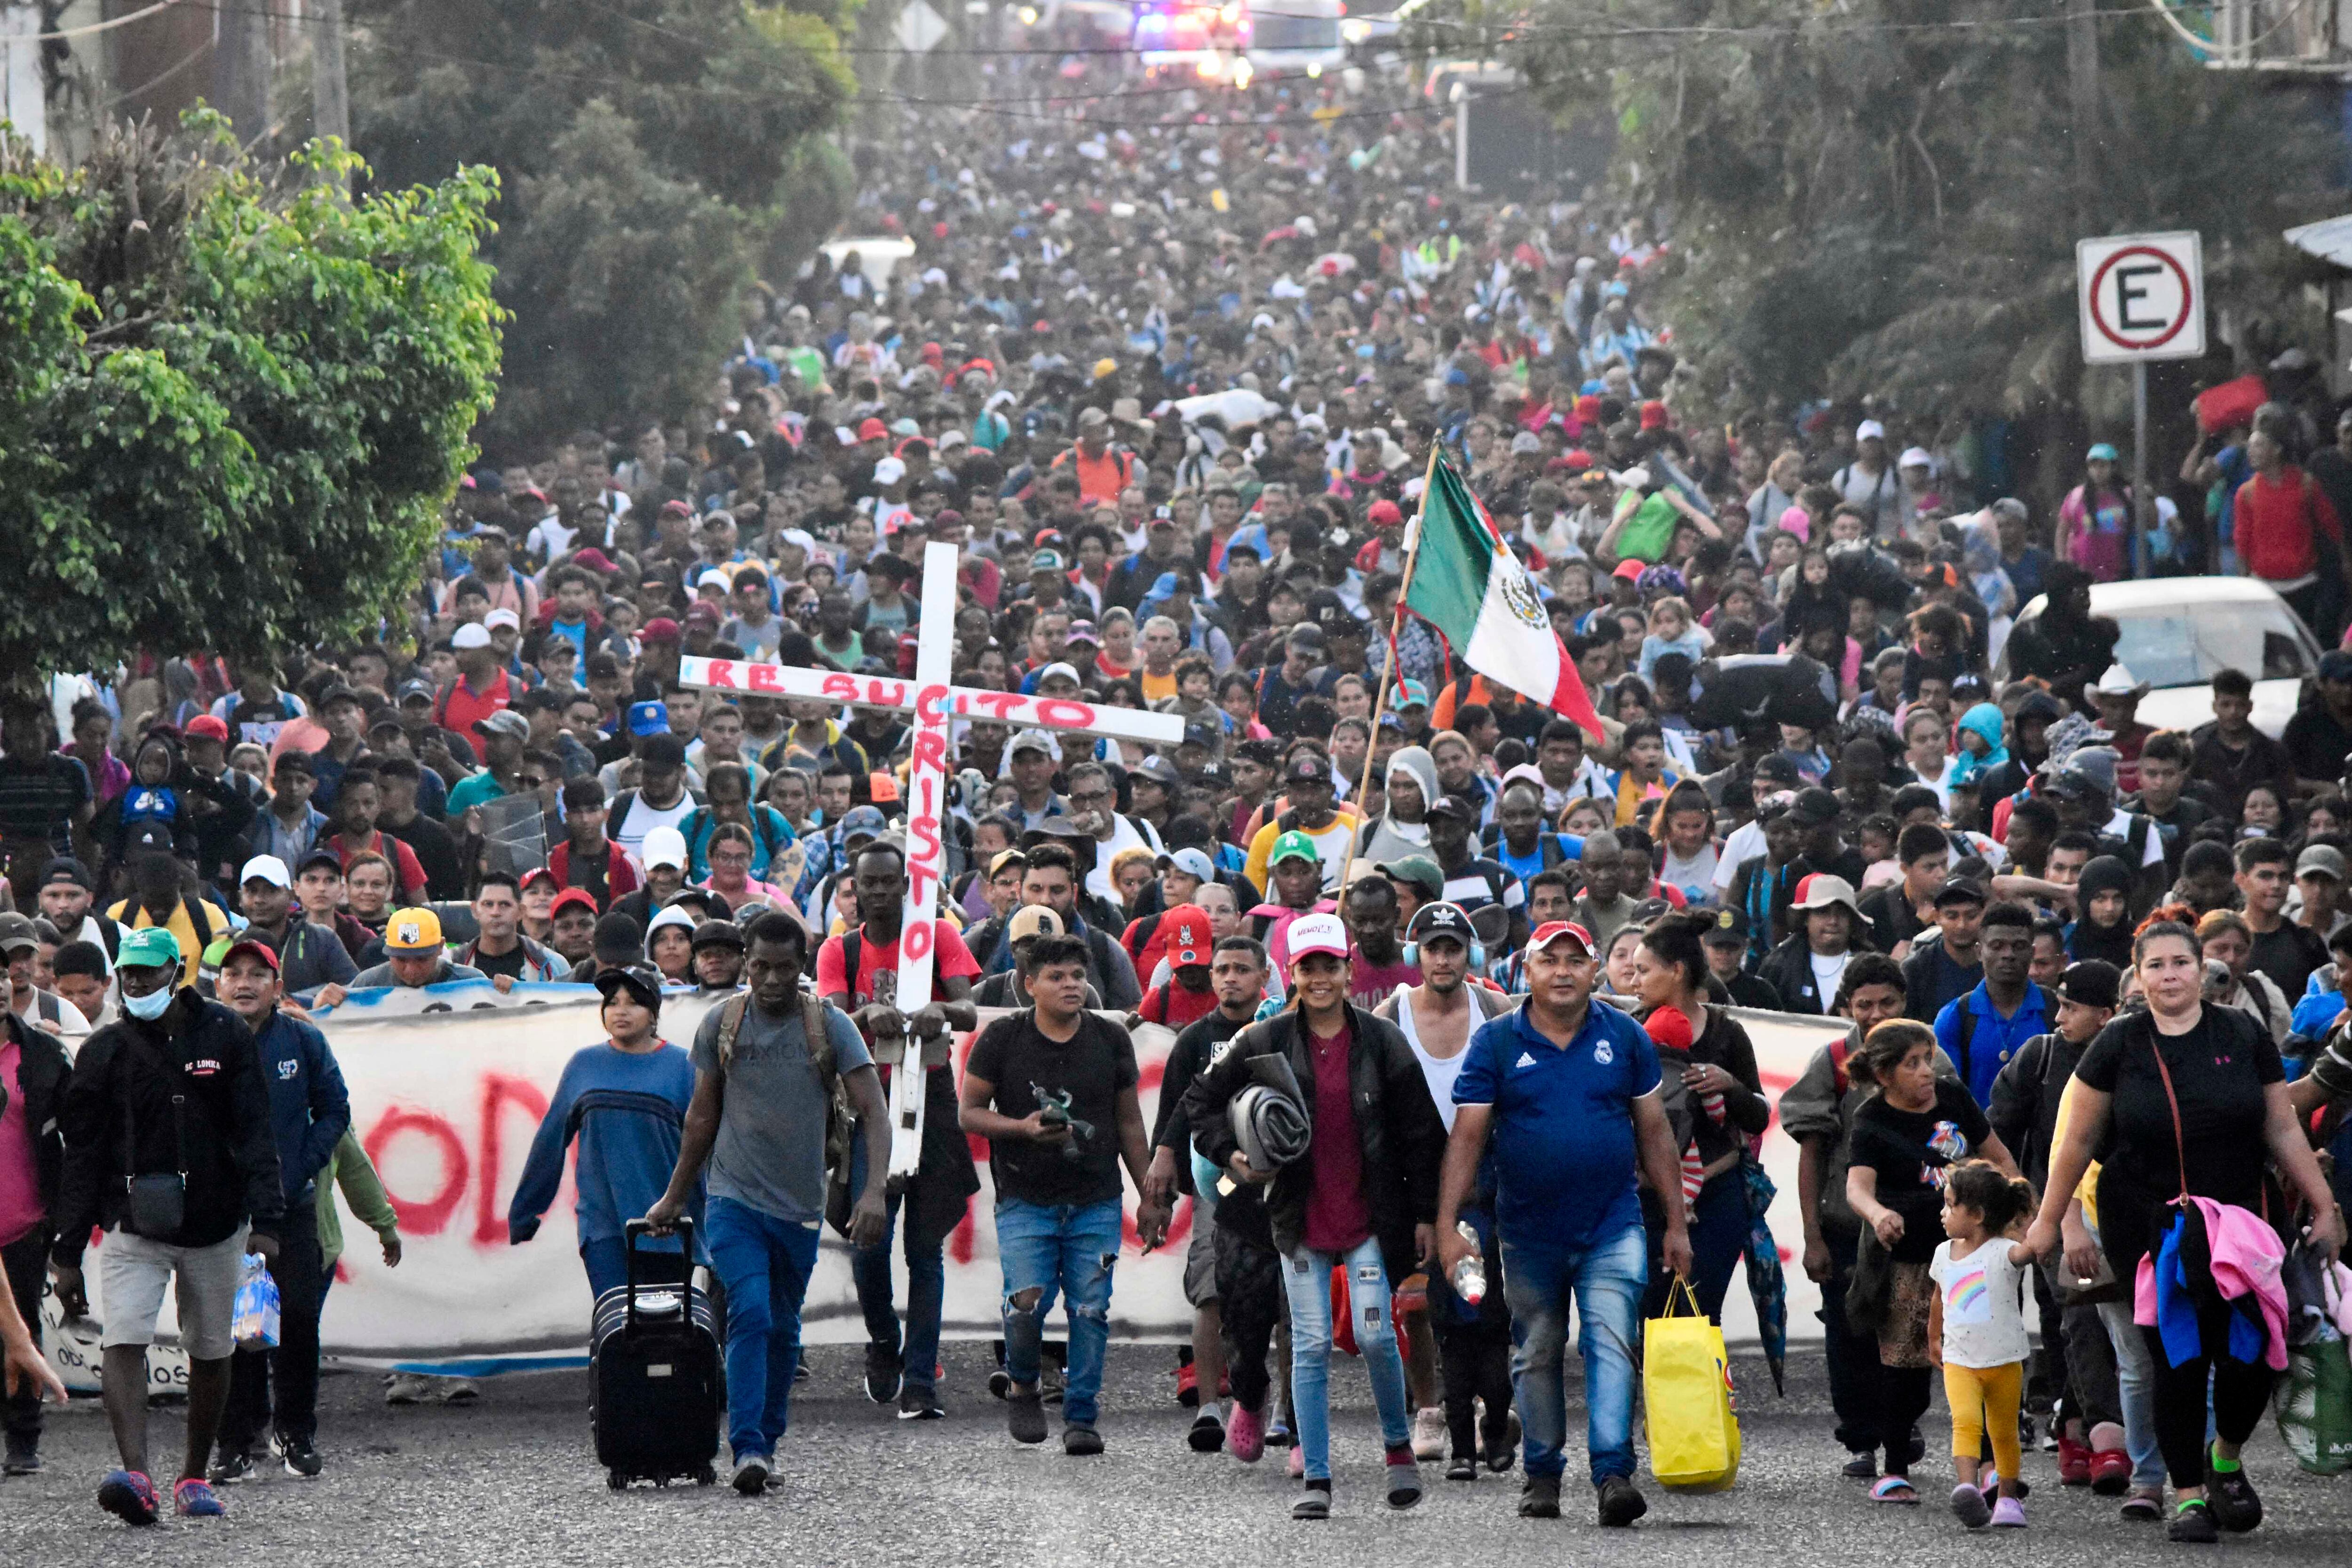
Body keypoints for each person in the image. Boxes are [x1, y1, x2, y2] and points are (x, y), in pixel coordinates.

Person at [2025, 915, 2344, 1543]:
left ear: (2201, 970)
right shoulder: (2118, 1042)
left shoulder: (2243, 1033)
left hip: (2244, 1219)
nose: (2169, 975)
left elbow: (2281, 1126)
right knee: (2178, 1358)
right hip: (2150, 1223)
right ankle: (2189, 1496)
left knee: (2252, 1354)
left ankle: (2224, 1455)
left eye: (2180, 962)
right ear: (2138, 976)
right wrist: (2050, 1222)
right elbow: (2075, 1140)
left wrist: (2324, 1204)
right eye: (2156, 965)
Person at [1180, 911, 1447, 1520]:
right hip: (1297, 1218)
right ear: (1292, 972)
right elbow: (1200, 1100)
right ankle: (1318, 1479)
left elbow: (1420, 1132)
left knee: (1377, 1335)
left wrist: (1426, 1215)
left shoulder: (1383, 1040)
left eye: (1331, 965)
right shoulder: (1262, 1037)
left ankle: (1397, 1449)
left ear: (1349, 970)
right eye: (1308, 967)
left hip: (1369, 1216)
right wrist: (1231, 1153)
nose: (1320, 977)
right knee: (1309, 1344)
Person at [1435, 917, 1690, 1527]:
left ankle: (1613, 1475)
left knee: (1611, 1342)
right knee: (1538, 1349)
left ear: (1595, 971)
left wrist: (1676, 1222)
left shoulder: (1625, 1035)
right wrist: (1446, 1224)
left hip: (1613, 1224)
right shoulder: (1496, 1041)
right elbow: (1467, 1137)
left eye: (1575, 960)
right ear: (1526, 970)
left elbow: (1655, 1130)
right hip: (1527, 1232)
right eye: (1550, 960)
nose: (1563, 972)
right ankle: (1543, 1472)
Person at [643, 912, 891, 1496]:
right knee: (750, 1310)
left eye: (784, 968)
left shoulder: (829, 1025)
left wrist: (874, 1190)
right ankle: (747, 1445)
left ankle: (767, 1443)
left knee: (782, 1327)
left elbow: (874, 1112)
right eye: (760, 967)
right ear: (745, 965)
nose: (772, 979)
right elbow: (701, 1116)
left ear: (801, 966)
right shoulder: (722, 1023)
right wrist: (675, 1195)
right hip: (731, 1198)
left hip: (799, 1205)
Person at [49, 927, 285, 1526]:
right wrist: (68, 1250)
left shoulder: (225, 1032)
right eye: (127, 971)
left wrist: (267, 1218)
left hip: (216, 1222)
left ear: (176, 973)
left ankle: (193, 1475)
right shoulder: (104, 1050)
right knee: (123, 1338)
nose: (135, 982)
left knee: (211, 1348)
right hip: (134, 1223)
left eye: (148, 971)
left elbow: (256, 1127)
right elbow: (82, 1155)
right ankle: (138, 1476)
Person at [961, 932, 1168, 1457]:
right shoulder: (1003, 1037)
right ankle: (1023, 1384)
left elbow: (1129, 1122)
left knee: (1090, 1309)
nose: (1071, 985)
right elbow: (969, 1112)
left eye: (1078, 975)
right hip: (1024, 1199)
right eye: (1056, 977)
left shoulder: (1110, 1037)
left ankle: (1082, 1416)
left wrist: (1149, 1197)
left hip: (1095, 1200)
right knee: (1024, 1305)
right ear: (1029, 984)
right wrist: (1022, 1128)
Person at [818, 840, 984, 1418]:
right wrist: (866, 1016)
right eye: (870, 883)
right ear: (855, 890)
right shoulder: (840, 948)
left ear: (907, 887)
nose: (880, 892)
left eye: (890, 881)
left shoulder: (937, 936)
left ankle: (920, 1378)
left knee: (924, 1247)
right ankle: (884, 1338)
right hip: (870, 1101)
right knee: (868, 1238)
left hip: (929, 1097)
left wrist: (941, 1010)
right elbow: (830, 1020)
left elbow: (968, 1009)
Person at [1843, 1019, 2021, 1506]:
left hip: (1971, 1260)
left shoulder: (1952, 1098)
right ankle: (1894, 1469)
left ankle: (1991, 1467)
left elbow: (1999, 1159)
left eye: (1928, 1058)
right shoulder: (1871, 1118)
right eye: (1912, 1063)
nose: (1927, 1071)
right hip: (1909, 1261)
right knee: (1904, 1367)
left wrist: (2018, 1216)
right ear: (1884, 1074)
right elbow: (1857, 1187)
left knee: (1984, 1359)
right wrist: (1879, 1215)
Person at [1375, 901, 1517, 1474]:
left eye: (1452, 948)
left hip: (1491, 1178)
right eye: (1432, 948)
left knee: (1493, 1304)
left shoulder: (1496, 1010)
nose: (1442, 959)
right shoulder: (1391, 1015)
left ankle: (1493, 1414)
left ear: (1470, 955)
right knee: (1432, 1308)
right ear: (1416, 954)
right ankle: (1437, 1414)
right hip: (1420, 1181)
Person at [209, 940, 350, 1483]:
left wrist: (298, 1169)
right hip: (224, 1212)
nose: (244, 983)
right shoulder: (201, 1041)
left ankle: (297, 1433)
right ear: (218, 985)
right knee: (232, 1328)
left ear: (278, 986)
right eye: (233, 973)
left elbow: (335, 1109)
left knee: (297, 1320)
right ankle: (235, 1443)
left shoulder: (303, 1039)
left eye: (257, 974)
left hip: (293, 1207)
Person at [1144, 934, 1275, 1459]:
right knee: (1210, 1289)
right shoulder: (1196, 1039)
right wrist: (1161, 1175)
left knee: (1287, 1298)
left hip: (1280, 1182)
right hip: (1218, 1181)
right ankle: (1207, 1408)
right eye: (1222, 969)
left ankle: (1283, 1410)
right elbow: (1175, 1113)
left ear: (1264, 976)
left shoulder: (1279, 1030)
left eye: (1242, 969)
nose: (1229, 978)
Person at [509, 966, 702, 1301]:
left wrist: (703, 1216)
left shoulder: (683, 1067)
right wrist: (525, 1211)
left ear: (654, 1014)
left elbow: (703, 1147)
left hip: (666, 1226)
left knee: (664, 1325)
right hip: (603, 1224)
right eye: (612, 1003)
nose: (620, 1011)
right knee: (616, 1319)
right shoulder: (584, 1065)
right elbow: (551, 1139)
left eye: (633, 1003)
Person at [1627, 914, 1770, 1323]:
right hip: (1647, 1200)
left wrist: (1730, 1086)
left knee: (1699, 1317)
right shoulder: (1631, 1030)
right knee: (1650, 1319)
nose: (1634, 982)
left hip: (1716, 1196)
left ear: (1677, 971)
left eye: (1643, 971)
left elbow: (1759, 1116)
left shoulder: (1727, 1033)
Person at [1928, 1161, 2040, 1529]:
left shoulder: (2005, 1252)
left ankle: (2007, 1498)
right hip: (1959, 1360)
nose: (1943, 1213)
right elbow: (1939, 1298)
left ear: (1977, 1215)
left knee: (2004, 1432)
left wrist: (2037, 1221)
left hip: (2005, 1360)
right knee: (1965, 1421)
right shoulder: (1943, 1253)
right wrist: (1933, 1336)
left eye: (1950, 1205)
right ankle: (1968, 1489)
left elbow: (2034, 1248)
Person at [0, 998, 71, 1475]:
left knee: (21, 1327)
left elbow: (80, 1128)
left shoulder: (41, 1052)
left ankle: (23, 1438)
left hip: (23, 1220)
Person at [1931, 901, 2052, 1108]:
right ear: (1979, 951)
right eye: (1997, 946)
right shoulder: (1955, 1017)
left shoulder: (2055, 1010)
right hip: (1977, 1128)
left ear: (2032, 953)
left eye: (2019, 946)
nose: (2009, 955)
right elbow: (1947, 1098)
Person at [1758, 873, 1866, 1015]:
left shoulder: (1870, 964)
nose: (1833, 921)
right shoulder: (1778, 965)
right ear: (1806, 919)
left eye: (1841, 913)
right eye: (1823, 912)